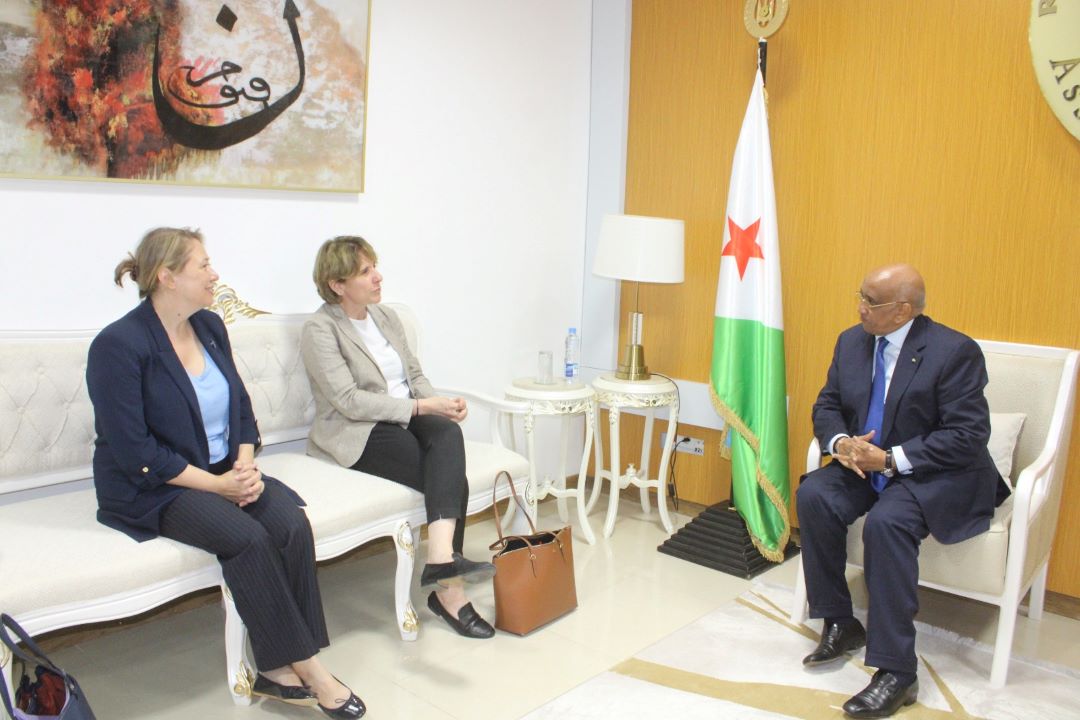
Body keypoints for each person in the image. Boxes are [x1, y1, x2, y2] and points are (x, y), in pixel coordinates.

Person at [87, 228, 365, 719]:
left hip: (223, 470)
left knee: (289, 523)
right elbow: (136, 453)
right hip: (152, 486)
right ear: (167, 277)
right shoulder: (119, 345)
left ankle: (275, 666)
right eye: (203, 265)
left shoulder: (210, 325)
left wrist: (244, 464)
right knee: (248, 538)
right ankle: (311, 668)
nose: (215, 274)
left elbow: (239, 406)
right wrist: (219, 486)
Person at [796, 263, 1009, 719]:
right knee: (815, 495)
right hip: (865, 464)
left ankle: (897, 672)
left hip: (929, 471)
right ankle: (840, 621)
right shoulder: (851, 341)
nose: (860, 308)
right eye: (860, 295)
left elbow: (968, 435)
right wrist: (841, 443)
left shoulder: (954, 352)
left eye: (871, 301)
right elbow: (828, 404)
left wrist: (892, 459)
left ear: (903, 310)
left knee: (887, 524)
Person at [300, 236, 496, 640]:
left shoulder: (385, 316)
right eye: (365, 271)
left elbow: (414, 375)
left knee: (447, 433)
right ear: (337, 284)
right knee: (449, 479)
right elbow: (348, 400)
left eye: (375, 266)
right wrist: (422, 408)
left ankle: (440, 561)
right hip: (358, 429)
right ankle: (450, 593)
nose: (378, 276)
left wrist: (439, 404)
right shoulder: (320, 329)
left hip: (407, 413)